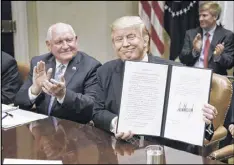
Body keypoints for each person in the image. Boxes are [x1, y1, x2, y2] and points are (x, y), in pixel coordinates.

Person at [92, 16, 217, 154]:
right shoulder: (104, 72)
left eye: (131, 37)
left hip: (169, 152)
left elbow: (202, 128)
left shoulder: (177, 72)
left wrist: (205, 121)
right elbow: (97, 111)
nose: (125, 44)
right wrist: (116, 123)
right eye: (119, 39)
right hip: (123, 151)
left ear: (146, 40)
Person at [14, 23, 101, 124]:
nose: (65, 46)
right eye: (59, 42)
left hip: (73, 130)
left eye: (69, 40)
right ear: (48, 45)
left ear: (76, 40)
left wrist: (63, 95)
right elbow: (19, 102)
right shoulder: (40, 63)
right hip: (43, 130)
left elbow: (92, 105)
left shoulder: (91, 66)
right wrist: (35, 89)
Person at [179, 2, 234, 75]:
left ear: (215, 17)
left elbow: (229, 64)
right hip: (192, 76)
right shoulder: (191, 34)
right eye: (200, 16)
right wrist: (195, 51)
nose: (200, 19)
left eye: (204, 15)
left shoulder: (227, 35)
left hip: (214, 79)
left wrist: (218, 56)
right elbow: (183, 59)